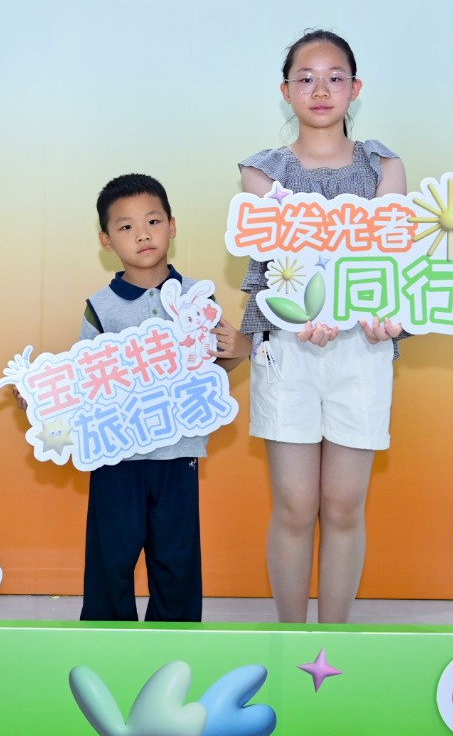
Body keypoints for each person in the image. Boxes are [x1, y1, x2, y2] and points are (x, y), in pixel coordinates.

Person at [238, 30, 407, 624]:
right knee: (294, 505)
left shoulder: (383, 165)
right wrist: (304, 311)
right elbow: (277, 263)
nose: (320, 90)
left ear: (355, 89)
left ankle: (334, 644)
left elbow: (392, 262)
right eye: (305, 78)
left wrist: (388, 317)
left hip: (362, 348)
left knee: (343, 505)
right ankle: (291, 639)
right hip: (288, 346)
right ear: (286, 91)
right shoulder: (263, 172)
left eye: (335, 77)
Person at [78, 173, 245, 622]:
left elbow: (215, 366)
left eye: (152, 221)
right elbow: (82, 380)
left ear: (172, 226)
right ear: (106, 240)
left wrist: (240, 349)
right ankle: (104, 643)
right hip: (116, 454)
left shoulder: (197, 296)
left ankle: (176, 643)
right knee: (111, 559)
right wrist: (41, 400)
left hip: (178, 450)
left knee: (176, 560)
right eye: (126, 226)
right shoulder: (101, 307)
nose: (142, 234)